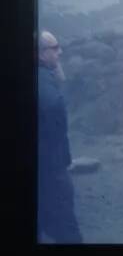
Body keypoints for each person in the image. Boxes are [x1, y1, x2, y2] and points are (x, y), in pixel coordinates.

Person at [37, 30, 84, 243]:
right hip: (50, 165)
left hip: (48, 162)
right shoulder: (44, 86)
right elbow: (54, 118)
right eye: (54, 48)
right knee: (65, 225)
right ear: (40, 53)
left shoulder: (46, 78)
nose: (60, 52)